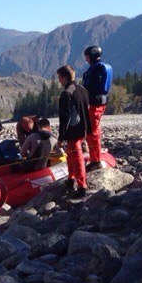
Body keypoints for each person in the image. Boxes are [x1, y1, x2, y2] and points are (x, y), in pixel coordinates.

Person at [56, 64, 91, 197]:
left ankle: (82, 187)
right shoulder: (82, 89)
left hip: (74, 129)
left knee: (76, 156)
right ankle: (71, 179)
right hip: (83, 127)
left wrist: (61, 137)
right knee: (71, 154)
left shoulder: (66, 93)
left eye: (60, 78)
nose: (59, 81)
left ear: (65, 77)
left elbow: (64, 117)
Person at [81, 45, 113, 170]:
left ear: (92, 56)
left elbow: (90, 86)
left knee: (92, 132)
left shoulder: (97, 69)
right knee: (94, 131)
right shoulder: (103, 67)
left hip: (95, 103)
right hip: (99, 102)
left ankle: (96, 161)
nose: (86, 59)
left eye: (87, 57)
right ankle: (96, 157)